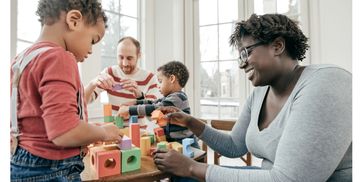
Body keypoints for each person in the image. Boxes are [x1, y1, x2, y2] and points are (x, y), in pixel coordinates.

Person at [153, 13, 352, 182]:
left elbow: (288, 180)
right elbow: (234, 146)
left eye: (245, 53)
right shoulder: (259, 94)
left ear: (277, 46)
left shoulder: (327, 82)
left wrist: (192, 168)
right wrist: (191, 122)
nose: (241, 64)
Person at [10, 0, 122, 181]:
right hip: (51, 169)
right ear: (74, 20)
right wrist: (104, 132)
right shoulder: (59, 58)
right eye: (93, 40)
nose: (91, 50)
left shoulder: (21, 60)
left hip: (20, 161)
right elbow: (64, 132)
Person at [118, 61, 199, 148]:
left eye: (160, 81)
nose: (158, 85)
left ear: (172, 79)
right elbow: (153, 102)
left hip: (186, 145)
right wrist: (136, 102)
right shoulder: (168, 98)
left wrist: (129, 110)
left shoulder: (178, 98)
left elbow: (155, 108)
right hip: (174, 143)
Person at [85, 36, 162, 115]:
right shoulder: (109, 73)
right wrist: (93, 83)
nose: (125, 63)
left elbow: (152, 113)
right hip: (112, 126)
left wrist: (140, 95)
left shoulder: (150, 78)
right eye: (121, 57)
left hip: (138, 127)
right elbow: (84, 100)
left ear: (139, 55)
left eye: (129, 58)